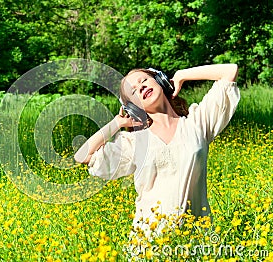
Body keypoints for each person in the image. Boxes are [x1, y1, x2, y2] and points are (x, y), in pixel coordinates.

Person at [74, 64, 240, 256]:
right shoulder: (136, 141)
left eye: (143, 80)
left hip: (196, 242)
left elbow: (230, 72)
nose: (141, 87)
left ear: (160, 81)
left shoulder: (197, 123)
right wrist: (117, 123)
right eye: (133, 91)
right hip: (148, 245)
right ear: (132, 106)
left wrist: (181, 75)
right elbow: (82, 155)